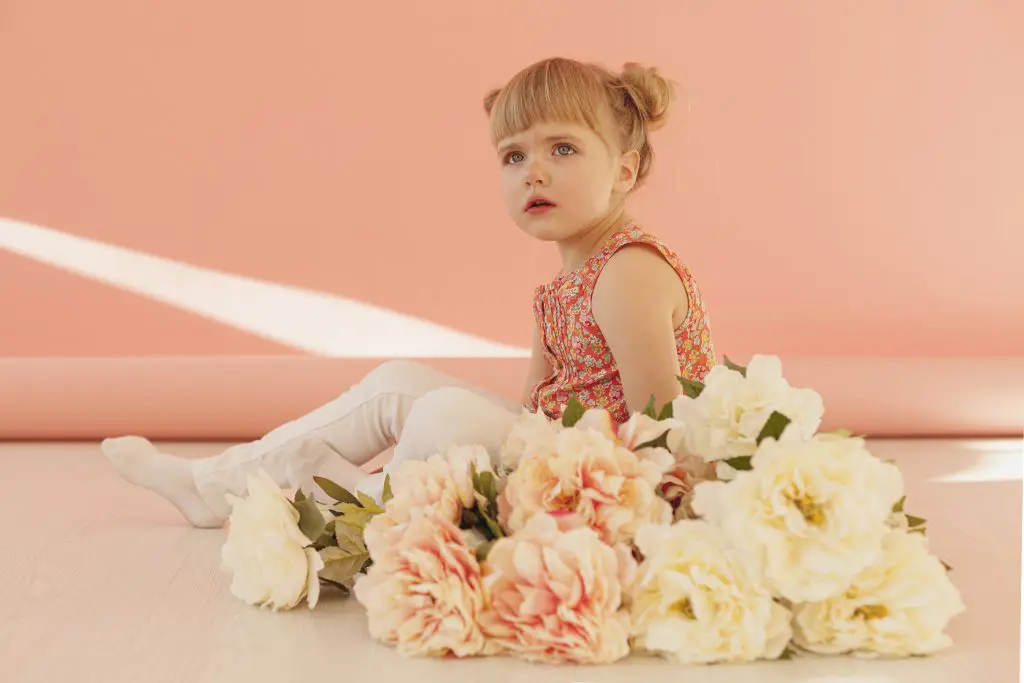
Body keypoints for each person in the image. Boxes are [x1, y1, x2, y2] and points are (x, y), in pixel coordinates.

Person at [101, 56, 716, 528]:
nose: (534, 170)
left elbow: (664, 432)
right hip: (552, 456)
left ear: (625, 172)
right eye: (512, 155)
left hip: (606, 486)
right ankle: (213, 487)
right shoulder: (562, 285)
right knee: (399, 381)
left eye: (563, 148)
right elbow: (530, 417)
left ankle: (364, 504)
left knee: (444, 414)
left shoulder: (627, 271)